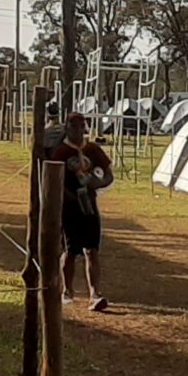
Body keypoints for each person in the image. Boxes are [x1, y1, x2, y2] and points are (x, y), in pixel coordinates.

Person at [47, 111, 115, 311]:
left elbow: (109, 174)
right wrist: (67, 195)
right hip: (69, 207)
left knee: (92, 250)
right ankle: (67, 291)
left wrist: (99, 183)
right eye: (73, 126)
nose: (78, 130)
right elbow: (52, 179)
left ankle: (95, 293)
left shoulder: (93, 150)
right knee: (70, 251)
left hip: (90, 206)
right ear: (67, 127)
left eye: (80, 126)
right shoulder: (61, 152)